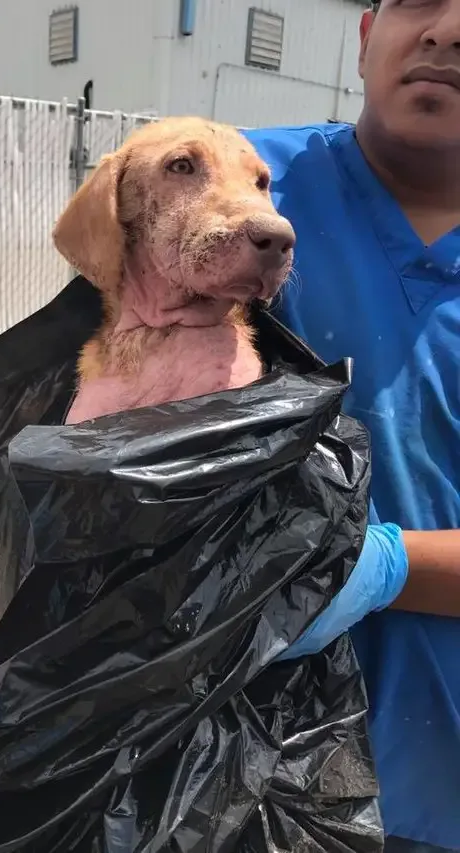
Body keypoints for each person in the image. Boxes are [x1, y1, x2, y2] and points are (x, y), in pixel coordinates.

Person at [243, 1, 460, 851]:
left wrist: (381, 568)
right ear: (367, 36)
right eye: (417, 0)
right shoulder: (241, 193)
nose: (445, 31)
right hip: (237, 769)